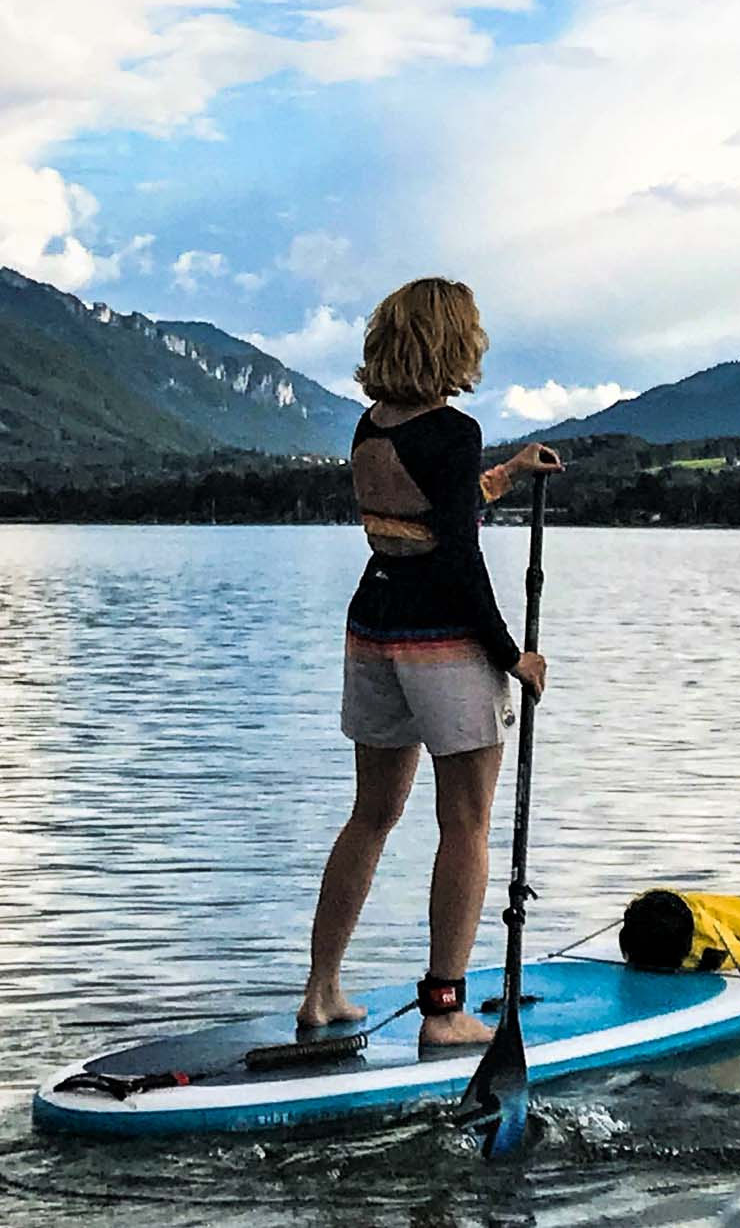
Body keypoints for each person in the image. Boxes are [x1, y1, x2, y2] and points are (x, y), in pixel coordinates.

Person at [298, 277, 561, 1048]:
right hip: (445, 641)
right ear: (451, 341)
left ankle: (321, 990)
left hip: (374, 626)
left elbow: (431, 510)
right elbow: (457, 558)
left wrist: (508, 475)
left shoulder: (369, 426)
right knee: (467, 822)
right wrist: (513, 656)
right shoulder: (452, 430)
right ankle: (445, 1009)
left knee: (371, 815)